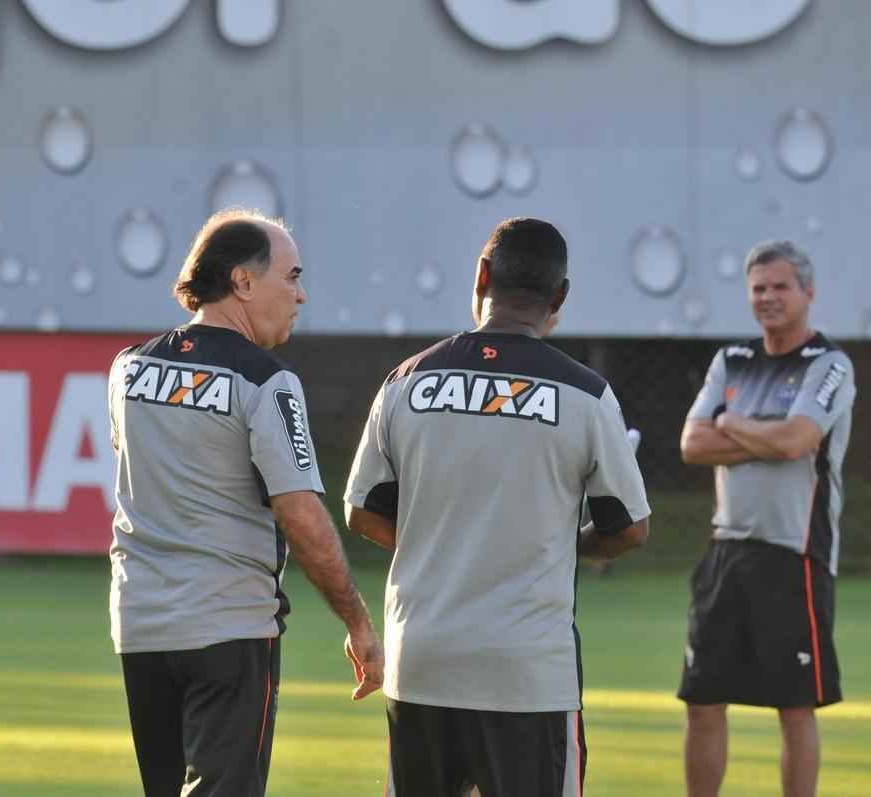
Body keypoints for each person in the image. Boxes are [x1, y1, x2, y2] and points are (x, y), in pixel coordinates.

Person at [345, 217, 651, 796]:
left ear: (481, 275)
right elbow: (629, 528)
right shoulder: (584, 395)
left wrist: (443, 541)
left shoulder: (406, 381)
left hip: (422, 663)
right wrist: (561, 545)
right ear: (560, 296)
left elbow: (363, 511)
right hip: (527, 673)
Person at [106, 208, 383, 796]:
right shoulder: (265, 381)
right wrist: (357, 620)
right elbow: (300, 515)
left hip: (140, 627)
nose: (301, 295)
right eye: (291, 276)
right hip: (228, 629)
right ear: (243, 282)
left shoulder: (127, 369)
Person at [678, 241, 854, 797]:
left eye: (781, 287)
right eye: (759, 288)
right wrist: (764, 436)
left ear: (809, 293)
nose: (768, 298)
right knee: (702, 703)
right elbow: (691, 444)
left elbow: (799, 439)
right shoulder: (732, 361)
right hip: (726, 551)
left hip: (794, 556)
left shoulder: (828, 365)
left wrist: (729, 420)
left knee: (795, 710)